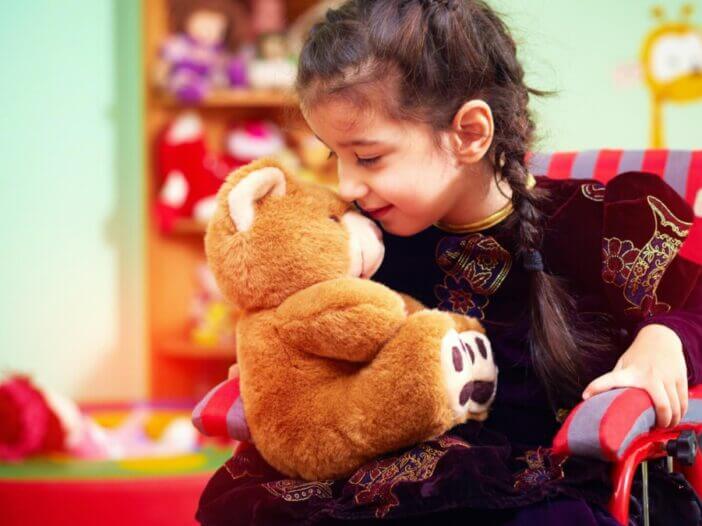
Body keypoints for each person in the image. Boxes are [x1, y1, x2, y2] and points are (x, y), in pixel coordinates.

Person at [196, 0, 702, 524]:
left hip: (537, 481)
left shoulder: (604, 222)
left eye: (367, 156)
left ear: (469, 134)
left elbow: (695, 299)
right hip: (381, 472)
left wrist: (665, 339)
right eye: (334, 155)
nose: (346, 185)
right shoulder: (363, 242)